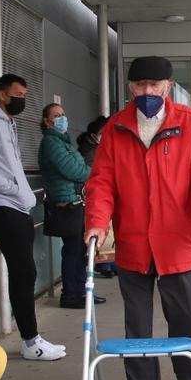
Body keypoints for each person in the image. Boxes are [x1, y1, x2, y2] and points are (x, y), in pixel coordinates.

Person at [84, 56, 191, 380]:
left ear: (167, 85)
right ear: (131, 87)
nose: (147, 92)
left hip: (180, 244)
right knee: (138, 330)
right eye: (140, 85)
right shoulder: (116, 128)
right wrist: (97, 223)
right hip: (133, 245)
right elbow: (101, 183)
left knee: (183, 320)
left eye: (154, 85)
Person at [0, 74, 66, 361]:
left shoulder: (7, 122)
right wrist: (14, 190)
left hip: (16, 207)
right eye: (18, 94)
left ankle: (32, 337)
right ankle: (30, 341)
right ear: (2, 95)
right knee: (24, 272)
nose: (22, 100)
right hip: (1, 206)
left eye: (25, 95)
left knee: (25, 273)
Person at [38, 103, 106, 308]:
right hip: (65, 204)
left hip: (75, 202)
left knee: (78, 251)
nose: (62, 118)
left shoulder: (63, 142)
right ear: (47, 121)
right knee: (72, 251)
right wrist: (90, 173)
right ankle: (71, 294)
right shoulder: (51, 143)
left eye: (63, 114)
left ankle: (82, 292)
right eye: (56, 115)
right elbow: (75, 170)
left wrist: (86, 171)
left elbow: (81, 167)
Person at [77, 116, 117, 279]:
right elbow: (95, 177)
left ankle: (109, 265)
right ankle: (105, 265)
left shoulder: (95, 148)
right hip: (86, 198)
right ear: (95, 134)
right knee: (100, 232)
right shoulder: (90, 151)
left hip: (90, 197)